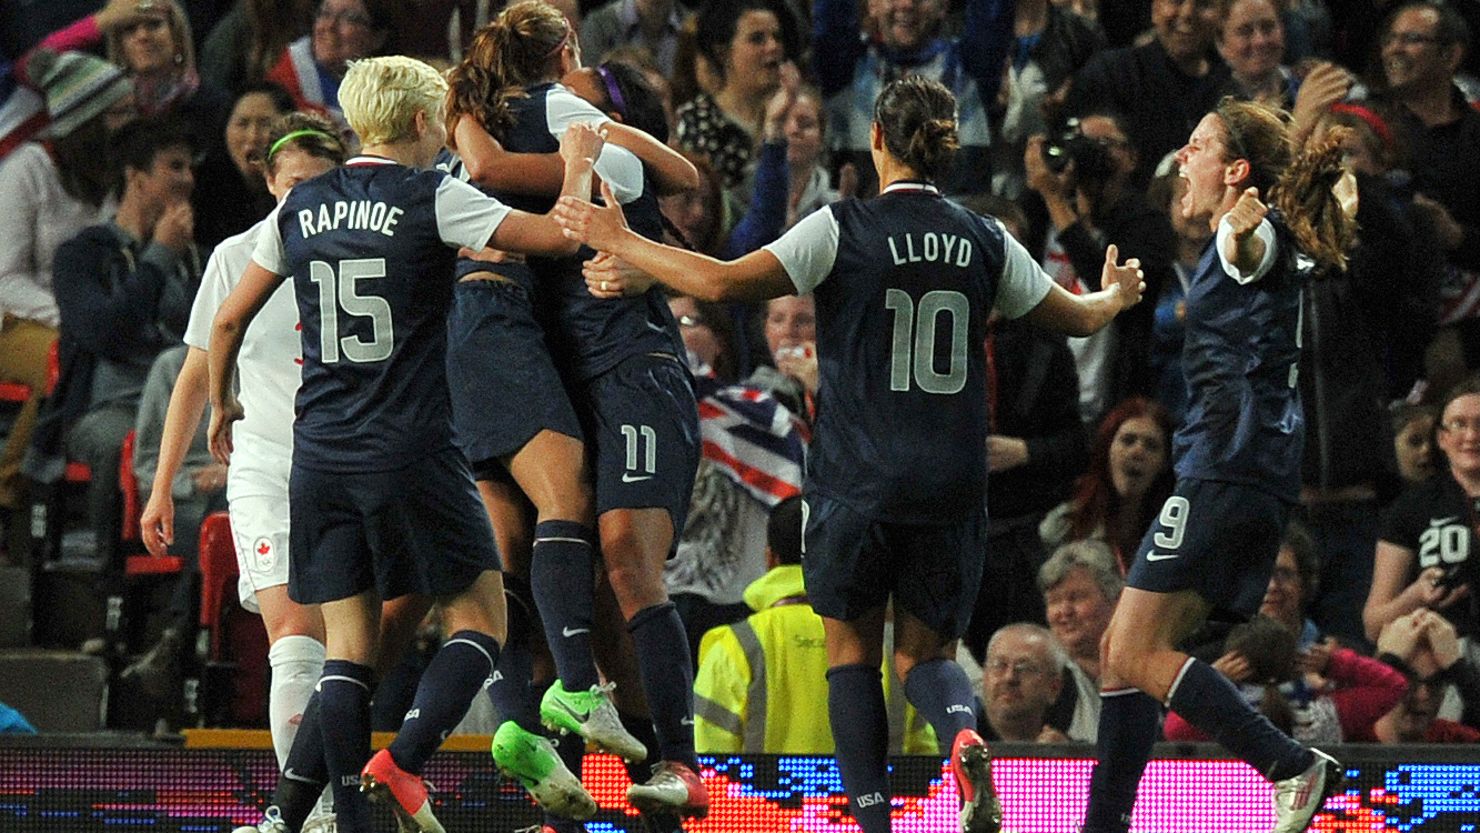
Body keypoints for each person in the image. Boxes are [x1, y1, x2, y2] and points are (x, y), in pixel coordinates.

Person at [554, 74, 1147, 833]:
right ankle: (964, 732)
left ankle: (871, 820)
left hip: (858, 478)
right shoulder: (986, 237)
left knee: (851, 654)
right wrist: (1117, 296)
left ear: (875, 140)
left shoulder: (841, 227)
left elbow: (726, 282)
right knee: (928, 658)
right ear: (948, 146)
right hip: (953, 481)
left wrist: (621, 239)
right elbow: (1078, 318)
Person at [205, 55, 604, 833]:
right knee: (482, 617)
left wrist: (223, 405)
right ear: (424, 123)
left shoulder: (302, 204)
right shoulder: (432, 194)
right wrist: (580, 162)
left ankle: (343, 816)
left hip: (318, 451)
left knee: (347, 649)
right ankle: (399, 765)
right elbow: (559, 235)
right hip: (411, 444)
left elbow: (227, 319)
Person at [441, 6, 706, 823]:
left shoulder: (575, 130)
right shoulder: (545, 130)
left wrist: (646, 265)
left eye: (598, 102)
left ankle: (679, 761)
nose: (582, 100)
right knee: (555, 579)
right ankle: (566, 790)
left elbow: (672, 182)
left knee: (624, 561)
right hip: (561, 381)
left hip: (633, 369)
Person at [1077, 97, 1358, 833]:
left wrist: (1239, 233)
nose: (1181, 157)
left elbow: (1247, 250)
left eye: (1198, 144)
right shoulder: (1268, 234)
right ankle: (1104, 824)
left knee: (1134, 649)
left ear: (1235, 169)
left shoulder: (1250, 229)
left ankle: (1289, 763)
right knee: (1119, 652)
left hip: (1227, 469)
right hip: (1245, 470)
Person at [140, 114, 347, 827]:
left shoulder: (366, 257)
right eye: (294, 187)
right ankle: (308, 809)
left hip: (350, 464)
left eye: (322, 187)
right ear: (269, 184)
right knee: (294, 636)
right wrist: (163, 481)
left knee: (342, 648)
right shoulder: (236, 257)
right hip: (264, 466)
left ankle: (331, 796)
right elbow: (196, 374)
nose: (306, 202)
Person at [51, 115, 201, 569]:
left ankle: (188, 581)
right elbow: (104, 331)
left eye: (190, 168)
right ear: (136, 178)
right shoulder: (81, 255)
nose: (188, 180)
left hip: (177, 406)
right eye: (174, 167)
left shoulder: (192, 258)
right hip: (106, 410)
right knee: (127, 445)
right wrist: (158, 256)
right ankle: (110, 580)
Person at [0, 49, 133, 524]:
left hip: (89, 320)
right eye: (118, 113)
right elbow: (5, 279)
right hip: (17, 320)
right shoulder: (27, 170)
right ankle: (11, 485)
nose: (130, 121)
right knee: (66, 359)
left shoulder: (116, 175)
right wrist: (76, 317)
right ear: (86, 121)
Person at [692, 496, 935, 754]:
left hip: (760, 795)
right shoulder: (894, 650)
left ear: (770, 559)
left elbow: (706, 759)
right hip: (876, 794)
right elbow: (927, 760)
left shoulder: (737, 646)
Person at [1364, 378, 1480, 645]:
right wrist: (1415, 596)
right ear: (1442, 437)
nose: (1472, 436)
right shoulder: (1411, 508)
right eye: (1459, 424)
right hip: (1440, 652)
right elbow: (1373, 625)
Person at [1039, 397, 1174, 574]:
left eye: (1151, 446)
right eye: (1128, 440)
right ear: (1107, 449)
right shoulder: (1063, 527)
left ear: (1164, 464)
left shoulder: (1175, 537)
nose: (1137, 452)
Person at [1038, 539, 1122, 742]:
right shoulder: (1043, 678)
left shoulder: (1142, 670)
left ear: (1116, 600)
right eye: (1054, 601)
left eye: (1076, 598)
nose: (1064, 612)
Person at [980, 623, 1076, 743]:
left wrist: (1060, 754)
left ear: (1054, 688)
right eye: (1000, 665)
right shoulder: (958, 743)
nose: (1009, 677)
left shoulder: (1075, 756)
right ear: (984, 676)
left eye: (1024, 668)